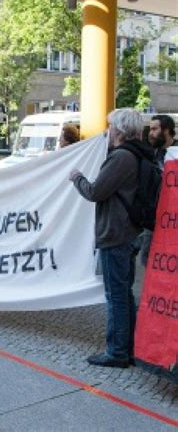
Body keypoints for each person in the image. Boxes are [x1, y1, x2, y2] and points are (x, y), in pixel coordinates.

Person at [69, 108, 152, 368]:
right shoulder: (139, 155)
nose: (108, 131)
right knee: (124, 295)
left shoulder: (121, 158)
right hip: (130, 231)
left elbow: (95, 191)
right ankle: (128, 347)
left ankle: (117, 353)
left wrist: (77, 178)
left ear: (119, 130)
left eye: (111, 127)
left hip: (116, 233)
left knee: (116, 296)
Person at [140, 114, 178, 265]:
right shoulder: (153, 152)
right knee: (148, 257)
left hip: (172, 218)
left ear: (166, 130)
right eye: (150, 129)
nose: (151, 133)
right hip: (155, 217)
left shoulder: (175, 152)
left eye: (155, 129)